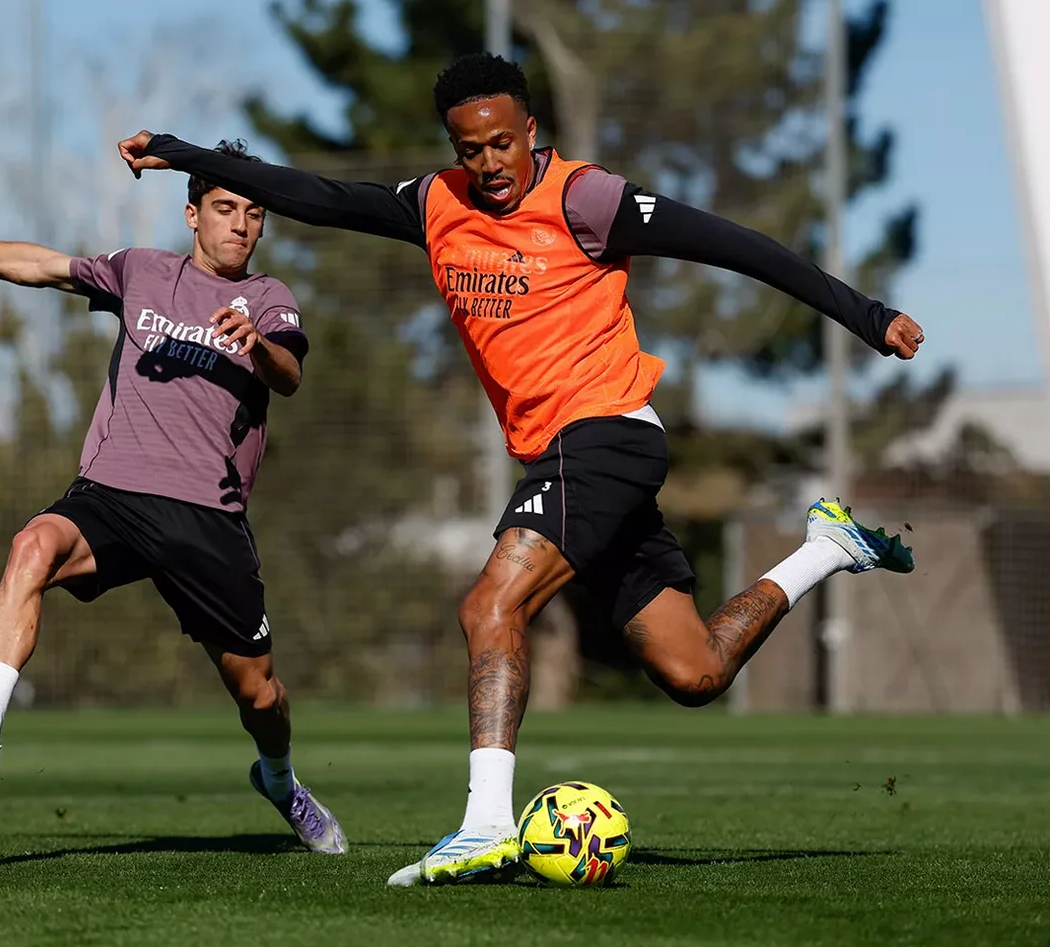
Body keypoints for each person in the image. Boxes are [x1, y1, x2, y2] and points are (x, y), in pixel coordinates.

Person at [116, 53, 922, 885]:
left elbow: (742, 249)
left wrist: (868, 314)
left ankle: (484, 824)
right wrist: (183, 152)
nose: (490, 165)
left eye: (503, 143)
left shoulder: (587, 199)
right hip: (565, 458)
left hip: (605, 435)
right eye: (471, 149)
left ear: (531, 131)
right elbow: (315, 194)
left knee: (488, 604)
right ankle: (828, 548)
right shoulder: (436, 203)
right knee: (695, 670)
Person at [0, 140, 346, 855]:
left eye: (253, 212)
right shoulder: (141, 271)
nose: (241, 225)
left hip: (206, 520)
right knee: (31, 545)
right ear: (192, 214)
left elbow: (289, 375)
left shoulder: (269, 299)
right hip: (112, 493)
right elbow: (36, 266)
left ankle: (280, 780)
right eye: (225, 208)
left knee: (260, 694)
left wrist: (256, 344)